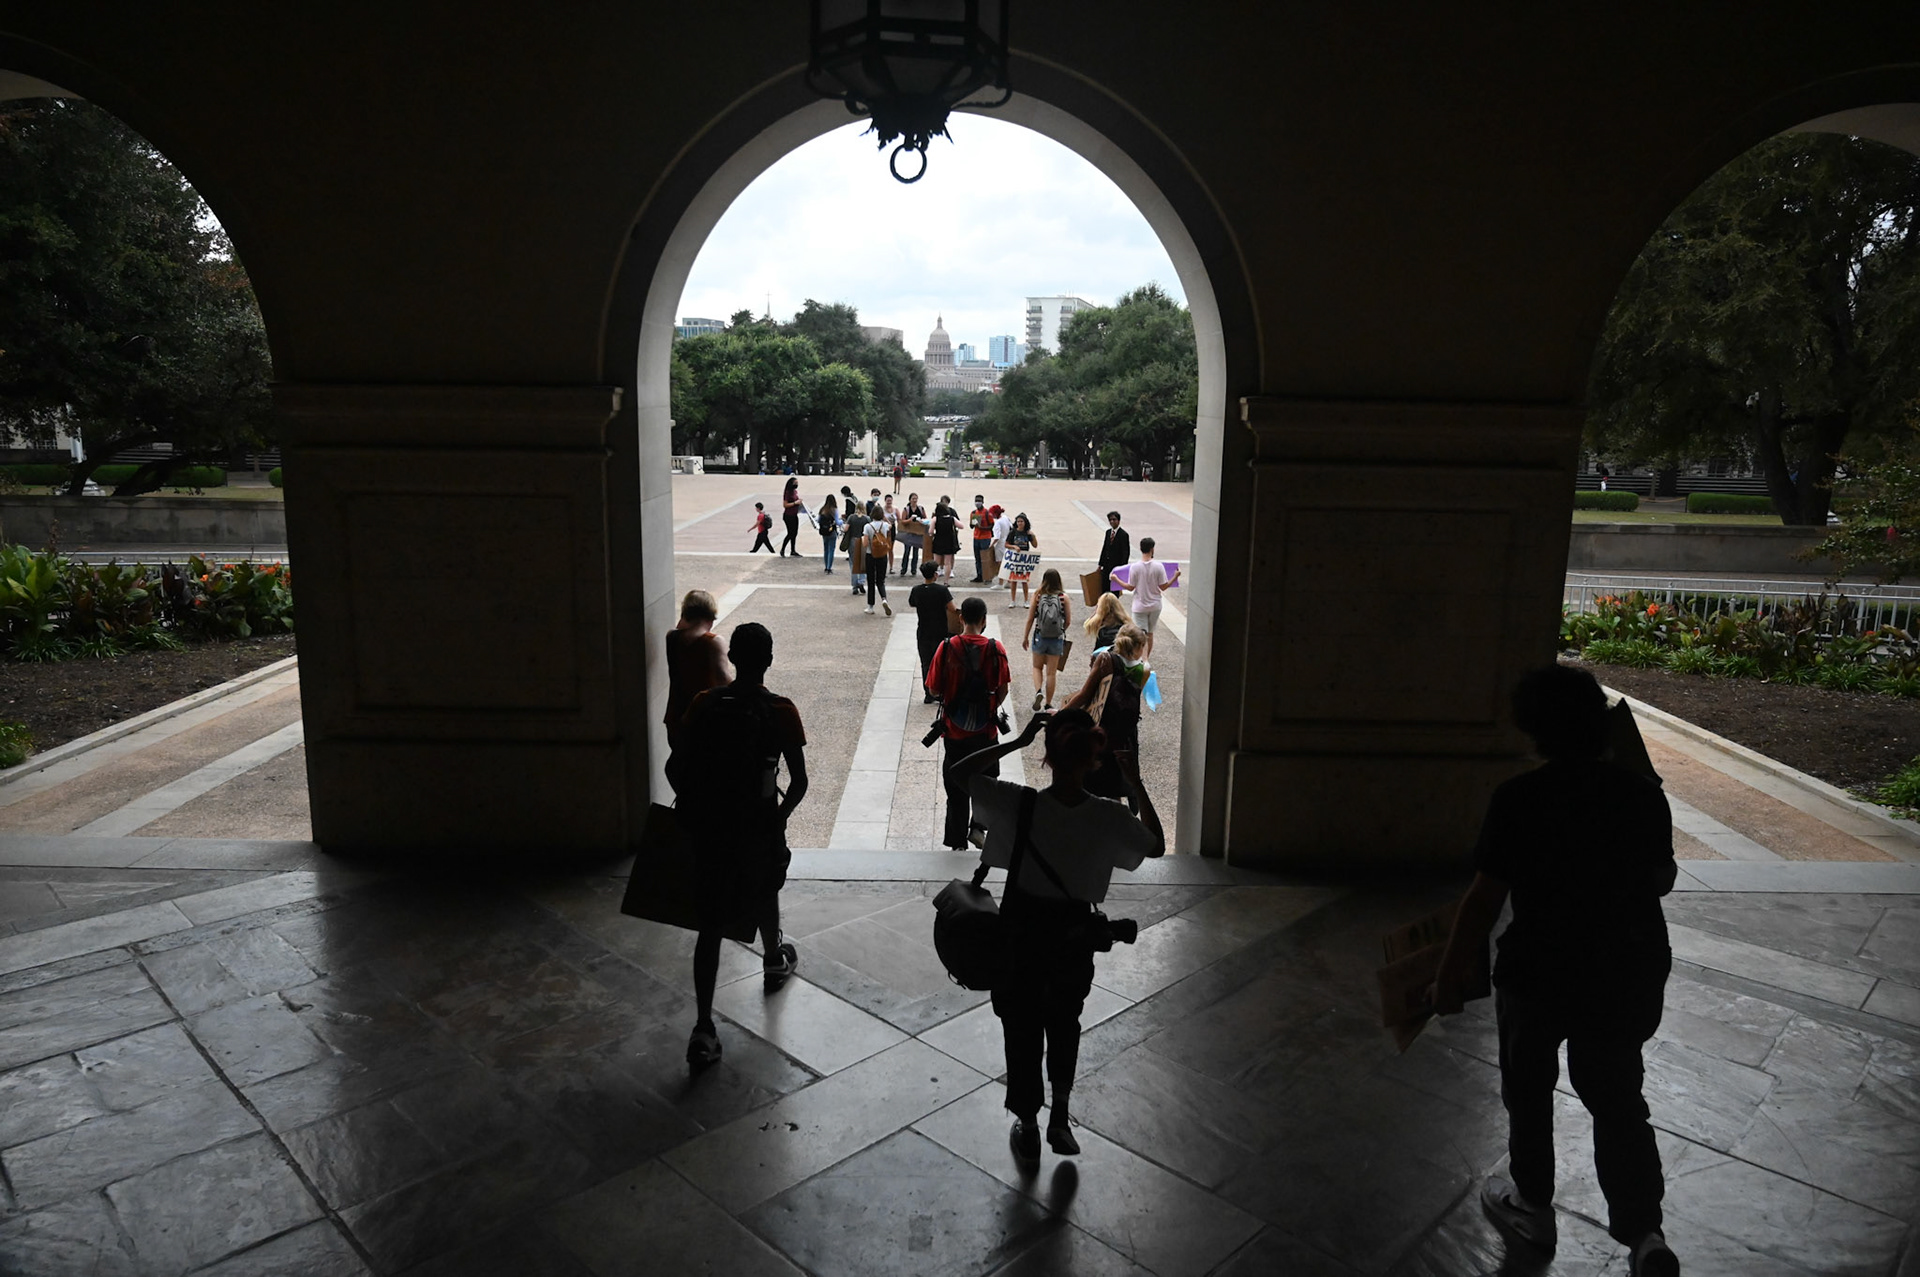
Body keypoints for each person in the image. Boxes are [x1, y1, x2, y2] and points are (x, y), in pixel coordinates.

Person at [1432, 665, 1679, 1277]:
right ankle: (1645, 1232)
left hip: (1540, 967)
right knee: (1619, 1094)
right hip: (1624, 967)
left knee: (1529, 1089)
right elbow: (1662, 881)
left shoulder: (1520, 799)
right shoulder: (1640, 794)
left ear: (1532, 730)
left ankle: (1534, 1205)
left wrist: (1447, 972)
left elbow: (1484, 899)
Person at [946, 708, 1164, 1166]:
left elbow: (959, 771)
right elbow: (1155, 844)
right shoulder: (1107, 816)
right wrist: (1134, 781)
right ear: (1094, 757)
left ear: (1048, 755)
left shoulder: (1020, 804)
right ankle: (1060, 1114)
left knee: (1021, 1027)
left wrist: (1017, 741)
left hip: (1022, 936)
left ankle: (1026, 1121)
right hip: (1073, 938)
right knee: (1064, 1023)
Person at [667, 622, 808, 1070]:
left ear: (733, 659)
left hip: (711, 826)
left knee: (710, 924)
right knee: (765, 892)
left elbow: (676, 765)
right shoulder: (781, 710)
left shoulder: (706, 703)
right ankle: (771, 958)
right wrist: (777, 819)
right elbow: (800, 782)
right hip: (757, 826)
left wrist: (691, 807)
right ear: (768, 659)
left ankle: (704, 1026)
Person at [926, 595, 1010, 849]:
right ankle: (978, 828)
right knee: (987, 783)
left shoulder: (947, 647)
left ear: (961, 618)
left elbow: (933, 689)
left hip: (954, 731)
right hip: (986, 731)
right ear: (984, 620)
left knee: (955, 786)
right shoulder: (996, 649)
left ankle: (956, 840)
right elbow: (1003, 688)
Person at [1061, 624, 1146, 810]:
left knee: (1096, 782)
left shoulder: (1107, 659)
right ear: (1139, 646)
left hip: (1101, 729)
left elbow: (1085, 694)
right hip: (1125, 735)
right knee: (1116, 782)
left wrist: (1062, 713)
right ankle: (1124, 807)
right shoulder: (1143, 669)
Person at [662, 589, 730, 754]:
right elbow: (724, 681)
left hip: (676, 716)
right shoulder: (713, 642)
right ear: (711, 616)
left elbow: (680, 626)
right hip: (705, 719)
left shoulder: (672, 638)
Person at [1022, 568, 1072, 710]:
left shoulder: (1037, 595)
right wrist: (1060, 631)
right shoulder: (1064, 597)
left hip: (1040, 636)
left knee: (1037, 667)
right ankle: (1048, 703)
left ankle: (1038, 691)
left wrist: (1025, 637)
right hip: (1056, 638)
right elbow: (1068, 621)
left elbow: (1031, 618)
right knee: (1051, 673)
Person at [908, 561, 956, 702]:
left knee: (926, 663)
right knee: (941, 662)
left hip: (923, 630)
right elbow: (952, 608)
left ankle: (928, 693)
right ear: (935, 574)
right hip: (940, 631)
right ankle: (939, 691)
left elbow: (912, 603)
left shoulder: (916, 590)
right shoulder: (942, 591)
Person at [1118, 536, 1169, 661]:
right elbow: (1163, 586)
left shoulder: (1135, 567)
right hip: (1155, 604)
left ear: (1141, 549)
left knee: (1140, 635)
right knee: (1150, 634)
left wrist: (1116, 580)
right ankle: (1146, 659)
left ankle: (1142, 659)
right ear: (1152, 549)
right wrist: (1175, 576)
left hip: (1140, 605)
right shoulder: (1159, 566)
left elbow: (1130, 587)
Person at [1003, 512, 1037, 608]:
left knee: (1024, 581)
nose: (1019, 523)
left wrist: (1033, 536)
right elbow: (1006, 544)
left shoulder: (1028, 533)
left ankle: (1026, 600)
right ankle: (1013, 600)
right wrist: (1014, 546)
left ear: (1025, 522)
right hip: (1015, 559)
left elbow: (1035, 545)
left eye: (1021, 521)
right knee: (1013, 580)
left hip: (1025, 559)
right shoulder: (1013, 532)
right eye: (1018, 521)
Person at [1082, 591, 1128, 662]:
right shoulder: (1125, 621)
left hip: (1103, 655)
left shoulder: (1101, 622)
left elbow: (1086, 625)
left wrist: (1096, 612)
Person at [864, 509, 893, 616]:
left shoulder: (867, 527)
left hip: (870, 555)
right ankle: (884, 599)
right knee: (881, 580)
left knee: (871, 580)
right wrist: (885, 519)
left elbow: (865, 543)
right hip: (882, 555)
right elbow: (891, 526)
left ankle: (870, 606)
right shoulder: (885, 525)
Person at [1096, 510, 1130, 597]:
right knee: (1104, 588)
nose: (1112, 521)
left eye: (1114, 519)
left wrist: (1122, 568)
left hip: (1116, 567)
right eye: (1110, 520)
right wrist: (1100, 564)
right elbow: (1105, 548)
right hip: (1106, 566)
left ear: (1118, 521)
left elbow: (1125, 552)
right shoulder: (1108, 532)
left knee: (1114, 590)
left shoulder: (1123, 534)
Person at [930, 496, 962, 584]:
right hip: (949, 541)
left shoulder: (935, 519)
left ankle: (933, 580)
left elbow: (931, 531)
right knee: (947, 562)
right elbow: (961, 526)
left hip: (938, 540)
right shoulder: (951, 518)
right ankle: (946, 581)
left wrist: (933, 533)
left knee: (936, 562)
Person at [844, 501, 869, 598]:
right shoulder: (866, 518)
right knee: (862, 562)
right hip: (863, 540)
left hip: (853, 541)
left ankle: (854, 585)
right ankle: (861, 581)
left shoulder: (851, 517)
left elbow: (845, 529)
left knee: (853, 563)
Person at [899, 492, 927, 576]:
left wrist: (921, 520)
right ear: (910, 500)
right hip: (908, 533)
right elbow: (902, 521)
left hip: (917, 533)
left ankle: (913, 569)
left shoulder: (921, 508)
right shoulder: (906, 509)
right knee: (906, 551)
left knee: (916, 552)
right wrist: (910, 519)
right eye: (913, 498)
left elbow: (925, 518)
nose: (914, 500)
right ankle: (904, 569)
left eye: (916, 498)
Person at [968, 494, 992, 582]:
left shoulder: (987, 513)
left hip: (985, 538)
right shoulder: (974, 513)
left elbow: (991, 526)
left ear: (982, 502)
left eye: (979, 501)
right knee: (977, 558)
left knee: (985, 558)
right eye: (976, 501)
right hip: (976, 537)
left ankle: (987, 576)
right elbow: (971, 526)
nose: (977, 503)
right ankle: (979, 575)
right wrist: (973, 523)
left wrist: (982, 527)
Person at [988, 504, 1011, 588]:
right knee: (1007, 564)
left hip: (1000, 545)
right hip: (1006, 543)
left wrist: (991, 545)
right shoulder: (1005, 518)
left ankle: (1000, 583)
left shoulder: (997, 523)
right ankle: (1009, 581)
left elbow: (997, 537)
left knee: (1000, 564)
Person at [779, 477, 803, 557]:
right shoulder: (788, 493)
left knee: (795, 533)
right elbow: (785, 505)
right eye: (795, 483)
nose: (796, 485)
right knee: (790, 533)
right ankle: (782, 549)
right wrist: (795, 503)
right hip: (788, 515)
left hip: (794, 514)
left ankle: (793, 550)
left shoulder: (795, 491)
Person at [817, 493, 841, 574]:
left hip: (824, 531)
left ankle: (825, 566)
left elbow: (818, 520)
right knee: (831, 549)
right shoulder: (834, 510)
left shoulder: (822, 510)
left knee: (826, 549)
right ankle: (829, 567)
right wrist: (842, 521)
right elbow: (837, 522)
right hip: (832, 531)